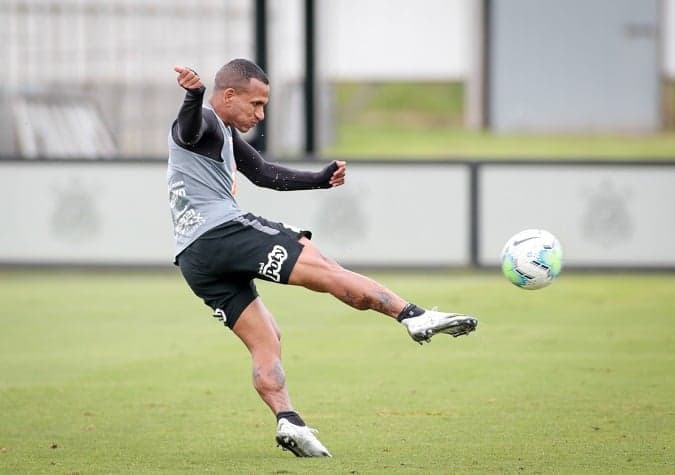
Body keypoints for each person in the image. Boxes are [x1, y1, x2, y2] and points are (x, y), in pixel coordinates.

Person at [167, 58, 478, 458]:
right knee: (327, 269)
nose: (260, 114)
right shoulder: (205, 122)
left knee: (266, 339)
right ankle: (414, 316)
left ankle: (288, 420)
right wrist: (192, 97)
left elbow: (262, 174)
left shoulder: (222, 133)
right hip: (223, 232)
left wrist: (319, 179)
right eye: (256, 104)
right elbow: (186, 128)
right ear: (228, 95)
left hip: (194, 257)